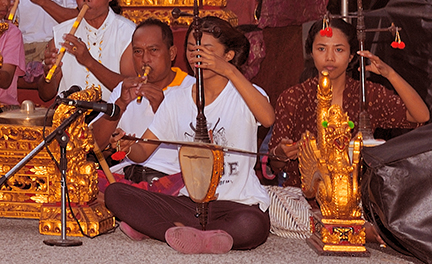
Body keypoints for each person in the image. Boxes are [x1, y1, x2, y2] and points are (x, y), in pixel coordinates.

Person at [106, 16, 275, 253]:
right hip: (190, 204)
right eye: (193, 49)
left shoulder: (246, 93)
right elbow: (142, 152)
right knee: (115, 194)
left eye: (207, 50)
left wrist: (229, 71)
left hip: (237, 204)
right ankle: (188, 232)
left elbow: (268, 118)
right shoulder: (176, 98)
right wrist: (125, 144)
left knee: (252, 226)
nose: (198, 56)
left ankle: (168, 231)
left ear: (228, 55)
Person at [268, 17, 428, 184]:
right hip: (304, 200)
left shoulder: (366, 95)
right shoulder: (293, 98)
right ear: (311, 52)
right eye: (321, 49)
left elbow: (420, 116)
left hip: (357, 197)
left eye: (339, 50)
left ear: (351, 55)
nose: (329, 58)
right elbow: (275, 163)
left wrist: (391, 75)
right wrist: (281, 152)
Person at [92, 19, 193, 194]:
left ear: (171, 53)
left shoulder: (191, 89)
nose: (145, 60)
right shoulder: (124, 89)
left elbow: (197, 151)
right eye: (138, 52)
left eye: (153, 50)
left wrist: (162, 109)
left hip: (172, 181)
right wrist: (120, 105)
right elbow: (95, 144)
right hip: (125, 177)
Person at [37, 0, 135, 102]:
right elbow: (45, 95)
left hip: (113, 119)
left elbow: (131, 89)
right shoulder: (61, 33)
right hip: (69, 117)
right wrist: (49, 75)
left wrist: (89, 62)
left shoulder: (128, 34)